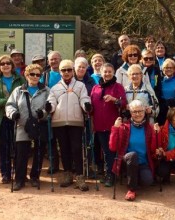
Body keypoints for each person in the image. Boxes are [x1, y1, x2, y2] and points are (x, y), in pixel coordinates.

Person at [47, 60, 92, 191]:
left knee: (77, 149)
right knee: (64, 149)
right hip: (59, 122)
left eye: (69, 70)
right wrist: (49, 107)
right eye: (63, 70)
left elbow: (84, 98)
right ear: (60, 72)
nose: (66, 73)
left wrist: (86, 105)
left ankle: (79, 176)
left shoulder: (80, 86)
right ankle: (67, 174)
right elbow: (52, 102)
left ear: (73, 71)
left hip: (76, 121)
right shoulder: (55, 88)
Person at [5, 64, 50, 191]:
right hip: (22, 124)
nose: (35, 77)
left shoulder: (46, 90)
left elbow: (51, 105)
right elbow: (10, 105)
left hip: (40, 124)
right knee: (21, 153)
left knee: (39, 152)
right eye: (32, 74)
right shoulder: (18, 90)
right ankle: (20, 179)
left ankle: (35, 177)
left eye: (38, 75)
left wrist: (44, 113)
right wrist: (13, 113)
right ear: (26, 75)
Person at [0, 55, 26, 184]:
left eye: (8, 63)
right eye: (2, 63)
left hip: (17, 118)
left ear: (12, 65)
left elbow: (26, 96)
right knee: (5, 148)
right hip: (2, 118)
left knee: (19, 148)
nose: (5, 65)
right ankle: (5, 174)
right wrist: (7, 102)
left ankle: (20, 174)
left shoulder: (20, 79)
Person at [109, 100, 156, 201]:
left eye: (140, 111)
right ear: (130, 113)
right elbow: (113, 147)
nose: (138, 114)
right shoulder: (124, 127)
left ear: (145, 112)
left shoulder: (149, 128)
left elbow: (153, 149)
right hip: (127, 162)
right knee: (132, 155)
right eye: (134, 112)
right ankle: (131, 189)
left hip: (143, 163)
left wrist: (157, 134)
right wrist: (115, 128)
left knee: (147, 181)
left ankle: (135, 177)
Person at [90, 63, 127, 187]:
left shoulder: (118, 87)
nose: (107, 74)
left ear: (113, 72)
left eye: (110, 71)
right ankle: (109, 173)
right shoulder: (95, 88)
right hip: (99, 125)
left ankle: (111, 175)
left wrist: (114, 99)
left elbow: (123, 103)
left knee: (111, 151)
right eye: (105, 71)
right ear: (101, 72)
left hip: (113, 125)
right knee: (104, 151)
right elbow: (91, 106)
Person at [40, 50, 63, 173]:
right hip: (50, 112)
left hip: (65, 110)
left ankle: (68, 165)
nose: (54, 61)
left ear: (60, 59)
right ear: (48, 62)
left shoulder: (67, 72)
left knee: (64, 139)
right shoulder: (45, 75)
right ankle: (54, 164)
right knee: (51, 139)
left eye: (56, 58)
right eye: (51, 59)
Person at [159, 58, 175, 125]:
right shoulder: (160, 81)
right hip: (162, 107)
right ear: (163, 69)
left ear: (174, 69)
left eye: (171, 67)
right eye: (166, 67)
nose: (169, 69)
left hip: (174, 107)